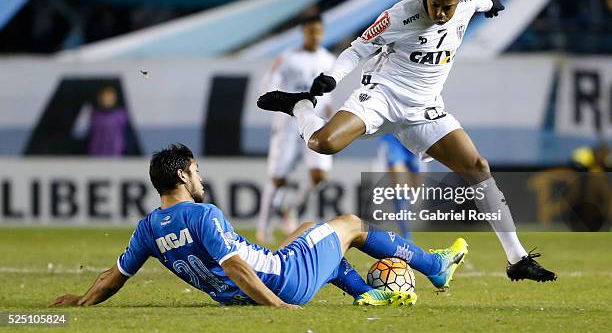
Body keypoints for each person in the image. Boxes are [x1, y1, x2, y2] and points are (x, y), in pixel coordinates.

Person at [257, 0, 556, 282]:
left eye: (447, 7)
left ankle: (517, 258)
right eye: (434, 4)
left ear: (458, 0)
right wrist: (333, 77)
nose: (439, 12)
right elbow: (358, 48)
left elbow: (479, 2)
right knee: (323, 143)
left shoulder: (467, 3)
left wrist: (491, 5)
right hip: (382, 97)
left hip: (424, 109)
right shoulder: (400, 14)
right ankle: (299, 105)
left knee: (478, 167)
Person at [51, 144, 468, 308]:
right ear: (181, 177)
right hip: (279, 283)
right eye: (195, 172)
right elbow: (235, 265)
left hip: (240, 296)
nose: (201, 178)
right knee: (351, 223)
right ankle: (434, 265)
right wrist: (279, 306)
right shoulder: (203, 214)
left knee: (308, 227)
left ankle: (368, 294)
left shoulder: (148, 228)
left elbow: (114, 277)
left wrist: (83, 302)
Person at [257, 14, 335, 243]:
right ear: (303, 32)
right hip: (289, 123)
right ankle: (264, 226)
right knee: (278, 178)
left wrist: (329, 109)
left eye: (319, 31)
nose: (315, 36)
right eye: (311, 31)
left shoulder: (328, 59)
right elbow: (268, 83)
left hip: (316, 121)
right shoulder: (288, 58)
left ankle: (291, 208)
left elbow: (327, 95)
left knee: (319, 175)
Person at [88, 86, 128, 156]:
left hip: (115, 153)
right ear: (99, 99)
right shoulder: (93, 114)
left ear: (114, 99)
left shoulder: (121, 115)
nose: (106, 100)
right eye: (104, 97)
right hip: (96, 153)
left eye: (109, 98)